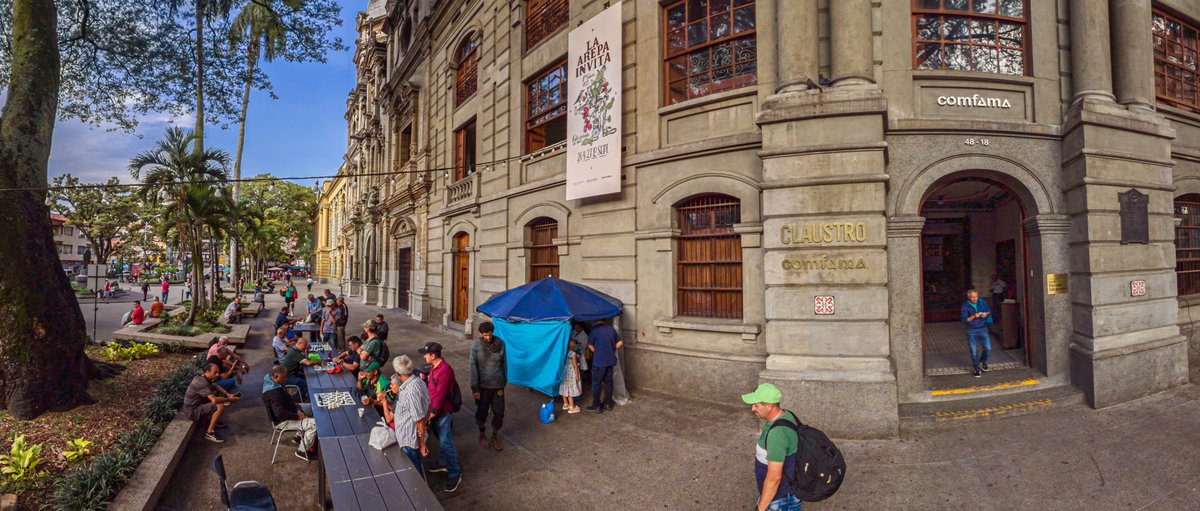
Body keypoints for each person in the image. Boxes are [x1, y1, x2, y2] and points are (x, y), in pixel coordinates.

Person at [742, 383, 801, 511]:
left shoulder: (777, 434)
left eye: (756, 405)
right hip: (784, 493)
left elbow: (774, 478)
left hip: (780, 500)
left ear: (769, 406)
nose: (753, 408)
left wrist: (761, 508)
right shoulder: (786, 415)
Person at [420, 342, 462, 493]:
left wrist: (433, 412)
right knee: (441, 438)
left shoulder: (444, 370)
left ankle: (454, 472)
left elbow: (441, 394)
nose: (424, 356)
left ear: (433, 356)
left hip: (442, 412)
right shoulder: (433, 368)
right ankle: (444, 462)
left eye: (426, 354)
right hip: (435, 411)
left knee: (446, 443)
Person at [387, 355, 430, 480]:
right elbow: (429, 406)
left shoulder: (410, 391)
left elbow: (419, 420)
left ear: (397, 373)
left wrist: (422, 444)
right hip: (409, 437)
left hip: (409, 440)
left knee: (414, 476)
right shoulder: (419, 381)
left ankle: (421, 496)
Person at [262, 365, 318, 461]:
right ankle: (302, 451)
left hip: (291, 410)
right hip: (283, 421)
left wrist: (293, 404)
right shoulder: (273, 392)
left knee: (313, 407)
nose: (286, 379)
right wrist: (297, 416)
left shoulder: (272, 382)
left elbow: (284, 399)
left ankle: (299, 436)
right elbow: (279, 413)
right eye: (284, 377)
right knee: (314, 424)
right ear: (275, 377)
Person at [469, 321, 506, 451]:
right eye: (485, 335)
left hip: (498, 386)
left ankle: (494, 435)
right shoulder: (475, 347)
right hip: (482, 388)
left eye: (490, 334)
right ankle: (482, 433)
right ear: (481, 334)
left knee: (499, 413)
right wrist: (475, 388)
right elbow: (473, 367)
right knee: (481, 412)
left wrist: (503, 381)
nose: (488, 337)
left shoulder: (501, 344)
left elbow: (504, 364)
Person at [183, 363, 239, 443]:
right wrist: (229, 399)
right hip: (192, 411)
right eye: (215, 372)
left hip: (196, 404)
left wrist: (227, 394)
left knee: (216, 394)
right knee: (219, 405)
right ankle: (209, 432)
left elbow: (216, 386)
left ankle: (212, 421)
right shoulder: (202, 383)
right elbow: (214, 400)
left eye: (218, 372)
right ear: (207, 372)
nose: (217, 374)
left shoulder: (203, 376)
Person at [586, 318, 623, 413]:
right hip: (610, 361)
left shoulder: (594, 330)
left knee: (596, 384)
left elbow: (590, 345)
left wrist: (598, 352)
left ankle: (597, 406)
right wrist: (610, 350)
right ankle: (607, 404)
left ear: (596, 320)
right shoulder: (611, 329)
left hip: (599, 362)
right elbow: (620, 342)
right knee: (609, 384)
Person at [961, 289, 993, 378]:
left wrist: (985, 314)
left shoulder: (982, 302)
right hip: (972, 330)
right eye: (972, 297)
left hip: (983, 328)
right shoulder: (965, 306)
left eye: (976, 297)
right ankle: (976, 368)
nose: (975, 299)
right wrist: (974, 316)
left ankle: (982, 362)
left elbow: (989, 311)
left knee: (988, 348)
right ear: (969, 298)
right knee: (973, 350)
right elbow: (965, 320)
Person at [560, 339, 582, 414]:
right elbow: (575, 365)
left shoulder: (564, 352)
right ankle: (572, 407)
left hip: (565, 371)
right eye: (574, 344)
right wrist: (577, 375)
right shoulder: (572, 353)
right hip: (571, 371)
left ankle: (565, 403)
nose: (576, 345)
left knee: (565, 386)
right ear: (571, 345)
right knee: (570, 388)